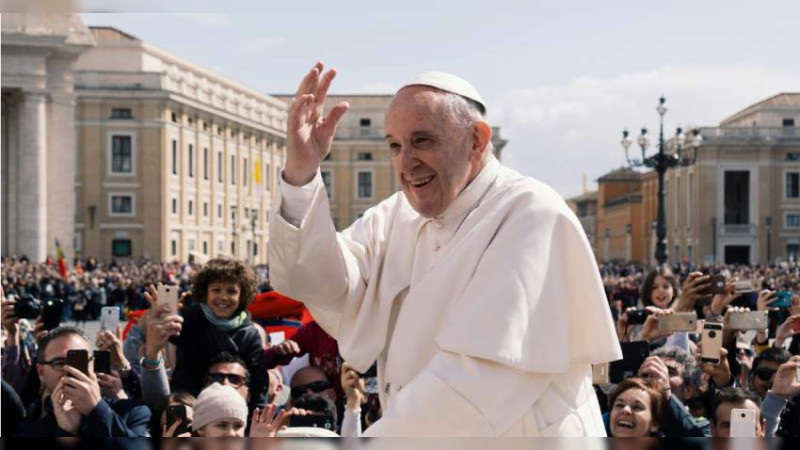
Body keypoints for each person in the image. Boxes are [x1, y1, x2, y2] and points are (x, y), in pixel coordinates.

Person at [268, 62, 621, 436]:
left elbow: (475, 386)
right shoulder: (395, 216)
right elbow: (314, 281)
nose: (406, 163)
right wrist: (302, 174)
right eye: (395, 146)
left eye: (422, 141)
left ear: (477, 141)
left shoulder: (531, 213)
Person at [161, 258, 267, 410]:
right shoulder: (187, 319)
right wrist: (160, 319)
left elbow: (259, 382)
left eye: (231, 291)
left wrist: (255, 422)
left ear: (242, 295)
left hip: (232, 412)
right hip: (190, 408)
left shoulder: (250, 333)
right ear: (205, 293)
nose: (223, 297)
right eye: (216, 290)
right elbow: (160, 340)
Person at [16, 326, 151, 437]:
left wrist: (98, 411)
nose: (70, 371)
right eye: (59, 363)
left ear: (93, 365)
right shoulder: (29, 430)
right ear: (41, 373)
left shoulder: (133, 412)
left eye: (79, 362)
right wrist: (67, 433)